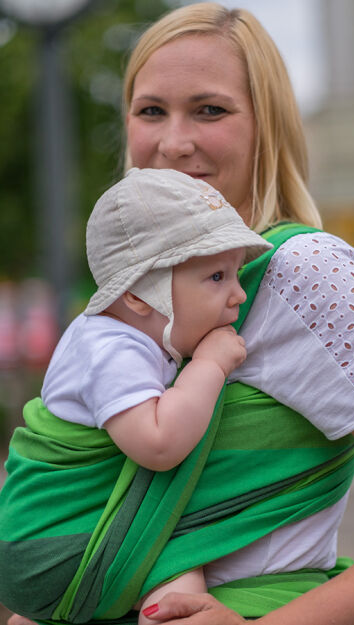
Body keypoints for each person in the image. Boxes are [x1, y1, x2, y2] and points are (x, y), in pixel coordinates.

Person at [5, 2, 354, 624]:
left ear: (267, 126)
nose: (173, 143)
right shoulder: (132, 298)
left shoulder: (308, 275)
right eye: (150, 111)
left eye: (210, 110)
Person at [0, 167, 271, 625]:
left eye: (237, 273)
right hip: (53, 542)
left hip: (45, 549)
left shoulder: (131, 339)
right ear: (139, 296)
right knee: (180, 581)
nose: (238, 294)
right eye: (216, 277)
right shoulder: (110, 348)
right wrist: (209, 366)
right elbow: (158, 445)